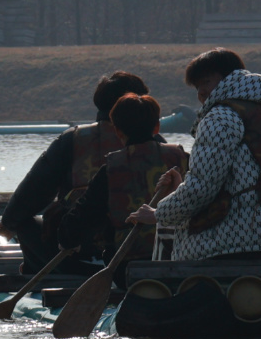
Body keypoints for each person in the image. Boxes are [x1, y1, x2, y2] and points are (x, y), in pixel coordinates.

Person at [125, 49, 261, 262]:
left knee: (183, 245)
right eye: (197, 87)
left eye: (206, 82)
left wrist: (158, 214)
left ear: (230, 77)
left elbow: (201, 189)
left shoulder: (220, 117)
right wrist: (180, 188)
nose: (201, 93)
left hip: (255, 235)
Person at [0, 71, 156, 272]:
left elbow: (24, 203)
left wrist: (8, 224)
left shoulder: (72, 140)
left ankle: (36, 271)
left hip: (76, 258)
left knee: (22, 221)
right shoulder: (160, 146)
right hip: (146, 255)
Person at [56, 94, 189, 271]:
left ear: (118, 131)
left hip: (128, 266)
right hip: (183, 260)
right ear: (157, 127)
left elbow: (80, 221)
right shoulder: (184, 159)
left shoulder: (111, 170)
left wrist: (67, 239)